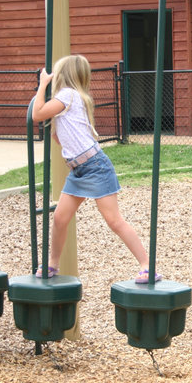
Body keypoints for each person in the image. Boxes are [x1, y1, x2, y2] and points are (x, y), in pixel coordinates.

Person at [32, 54, 161, 284]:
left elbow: (37, 114)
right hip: (78, 170)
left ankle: (147, 266)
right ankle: (53, 263)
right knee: (60, 218)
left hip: (95, 167)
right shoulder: (73, 98)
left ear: (62, 76)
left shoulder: (67, 95)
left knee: (114, 220)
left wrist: (42, 85)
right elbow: (60, 138)